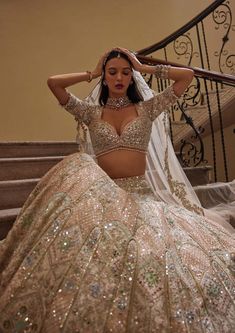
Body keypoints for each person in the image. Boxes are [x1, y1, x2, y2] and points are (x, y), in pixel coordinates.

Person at [0, 47, 234, 333]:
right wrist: (92, 73)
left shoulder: (147, 109)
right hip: (105, 195)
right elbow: (54, 83)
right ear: (106, 77)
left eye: (126, 72)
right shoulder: (90, 113)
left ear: (132, 77)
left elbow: (186, 77)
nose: (120, 77)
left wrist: (145, 68)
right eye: (113, 72)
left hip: (141, 196)